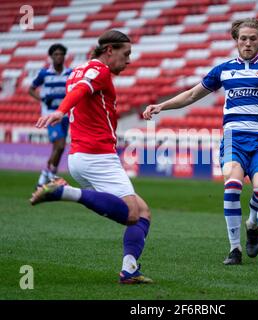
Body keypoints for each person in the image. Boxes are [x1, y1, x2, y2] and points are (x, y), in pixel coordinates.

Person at [143, 18, 258, 265]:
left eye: (253, 38)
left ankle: (252, 224)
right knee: (232, 185)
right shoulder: (223, 69)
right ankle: (235, 249)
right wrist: (161, 106)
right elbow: (192, 94)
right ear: (236, 40)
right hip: (233, 139)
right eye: (243, 38)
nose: (248, 43)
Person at [29, 30, 153, 284]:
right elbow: (83, 90)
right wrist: (61, 111)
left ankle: (129, 270)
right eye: (125, 54)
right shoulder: (99, 70)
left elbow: (83, 90)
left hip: (81, 156)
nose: (128, 60)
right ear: (109, 50)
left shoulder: (76, 70)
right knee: (132, 213)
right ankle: (63, 191)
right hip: (98, 155)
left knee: (143, 212)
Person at [29, 43, 72, 188]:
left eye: (61, 54)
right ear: (51, 57)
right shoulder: (44, 74)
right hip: (50, 115)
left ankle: (47, 175)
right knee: (59, 146)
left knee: (58, 148)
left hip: (64, 116)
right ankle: (48, 176)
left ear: (64, 56)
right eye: (56, 54)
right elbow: (31, 89)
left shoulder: (70, 73)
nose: (59, 57)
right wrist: (41, 98)